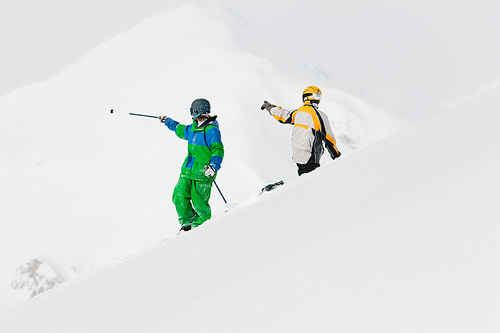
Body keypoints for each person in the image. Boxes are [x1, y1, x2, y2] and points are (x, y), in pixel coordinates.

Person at [159, 98, 224, 233]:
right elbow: (179, 129)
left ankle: (202, 226)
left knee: (199, 202)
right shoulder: (192, 128)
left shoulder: (211, 130)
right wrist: (167, 121)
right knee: (178, 196)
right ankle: (187, 223)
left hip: (203, 173)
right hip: (188, 171)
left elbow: (218, 149)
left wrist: (213, 166)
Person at [261, 86, 341, 176]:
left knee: (303, 177)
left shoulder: (298, 112)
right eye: (317, 96)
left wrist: (270, 107)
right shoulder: (320, 116)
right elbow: (329, 140)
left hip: (298, 156)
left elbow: (282, 115)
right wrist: (338, 157)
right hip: (311, 158)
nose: (318, 99)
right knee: (311, 181)